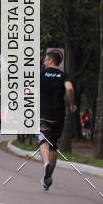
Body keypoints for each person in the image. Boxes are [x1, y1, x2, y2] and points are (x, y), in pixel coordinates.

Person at [38, 49, 76, 191]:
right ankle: (48, 179)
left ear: (50, 60)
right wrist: (72, 104)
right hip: (58, 114)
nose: (44, 62)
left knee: (43, 141)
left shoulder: (41, 74)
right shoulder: (64, 75)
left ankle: (46, 164)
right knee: (53, 146)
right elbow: (69, 89)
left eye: (45, 59)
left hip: (43, 114)